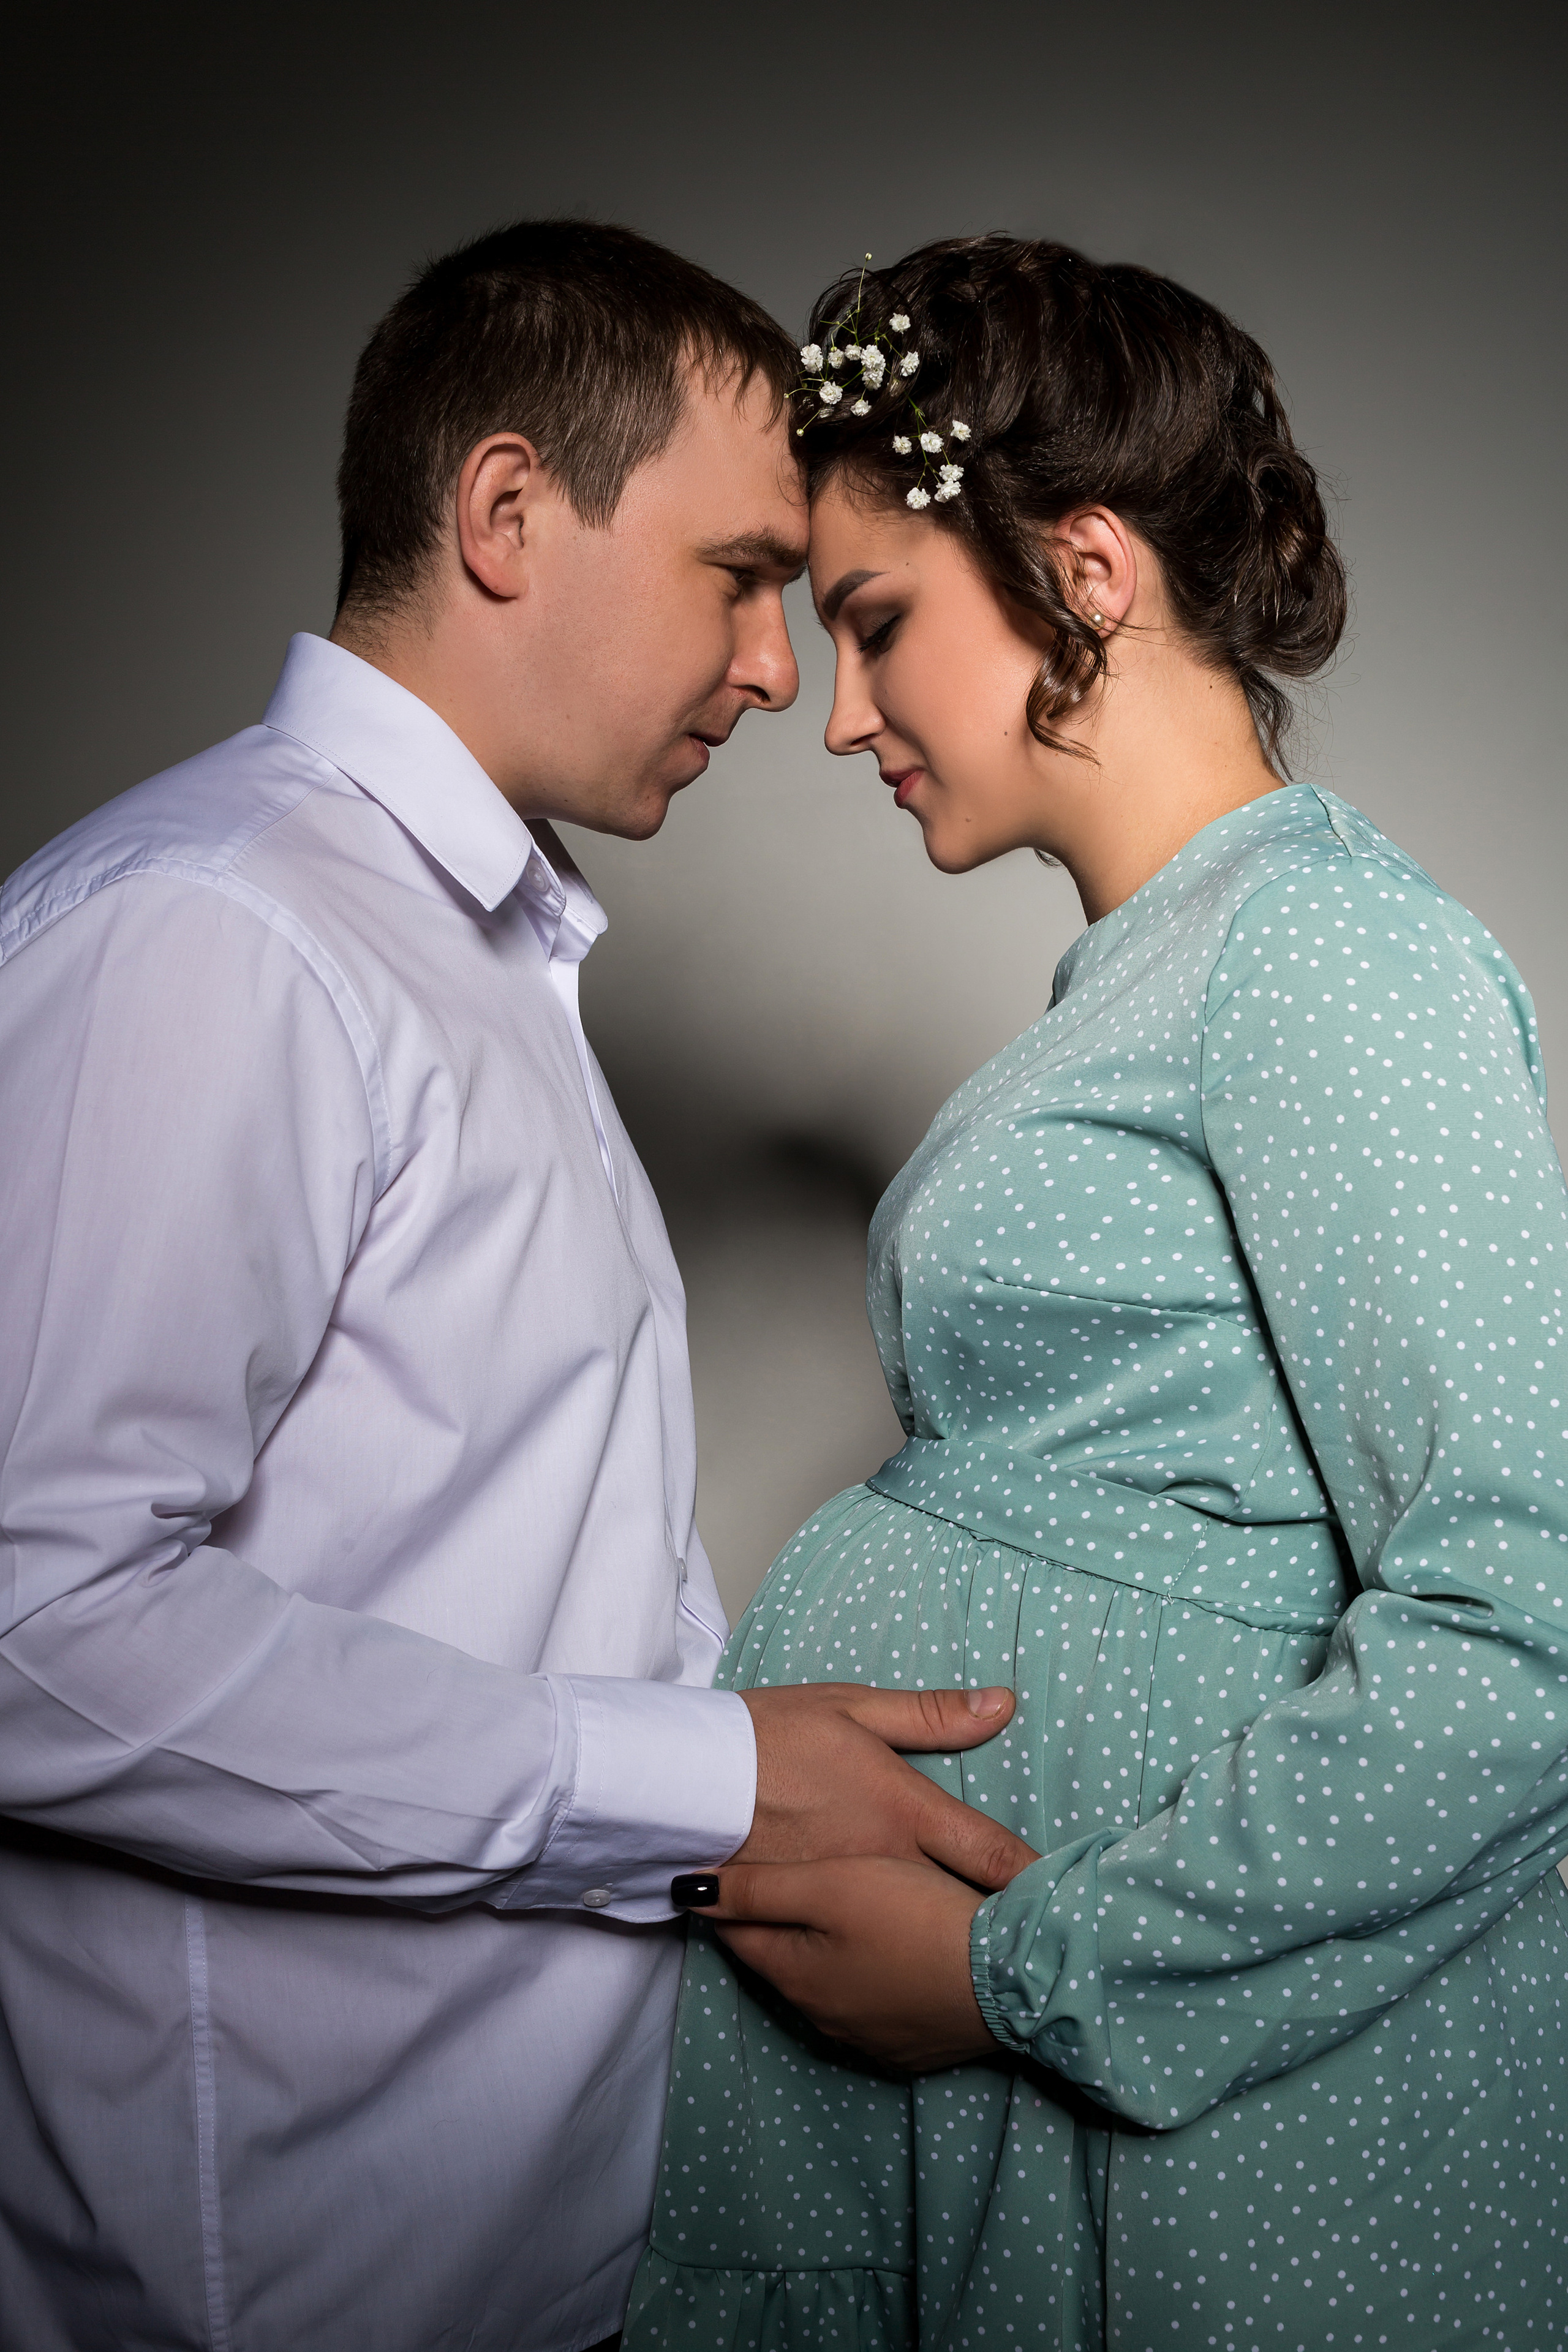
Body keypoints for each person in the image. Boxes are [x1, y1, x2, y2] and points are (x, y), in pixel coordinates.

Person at [0, 221, 1036, 2352]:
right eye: (740, 574)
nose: (778, 670)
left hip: (543, 2264)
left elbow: (481, 1554)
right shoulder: (218, 934)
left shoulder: (473, 956)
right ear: (501, 514)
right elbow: (35, 1627)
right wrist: (708, 1785)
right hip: (277, 2298)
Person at [627, 236, 1568, 2350]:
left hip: (1217, 2141)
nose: (840, 711)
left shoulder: (1326, 952)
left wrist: (1006, 1974)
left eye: (876, 626)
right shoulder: (1160, 965)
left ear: (1088, 570)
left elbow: (1535, 1613)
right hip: (1063, 2112)